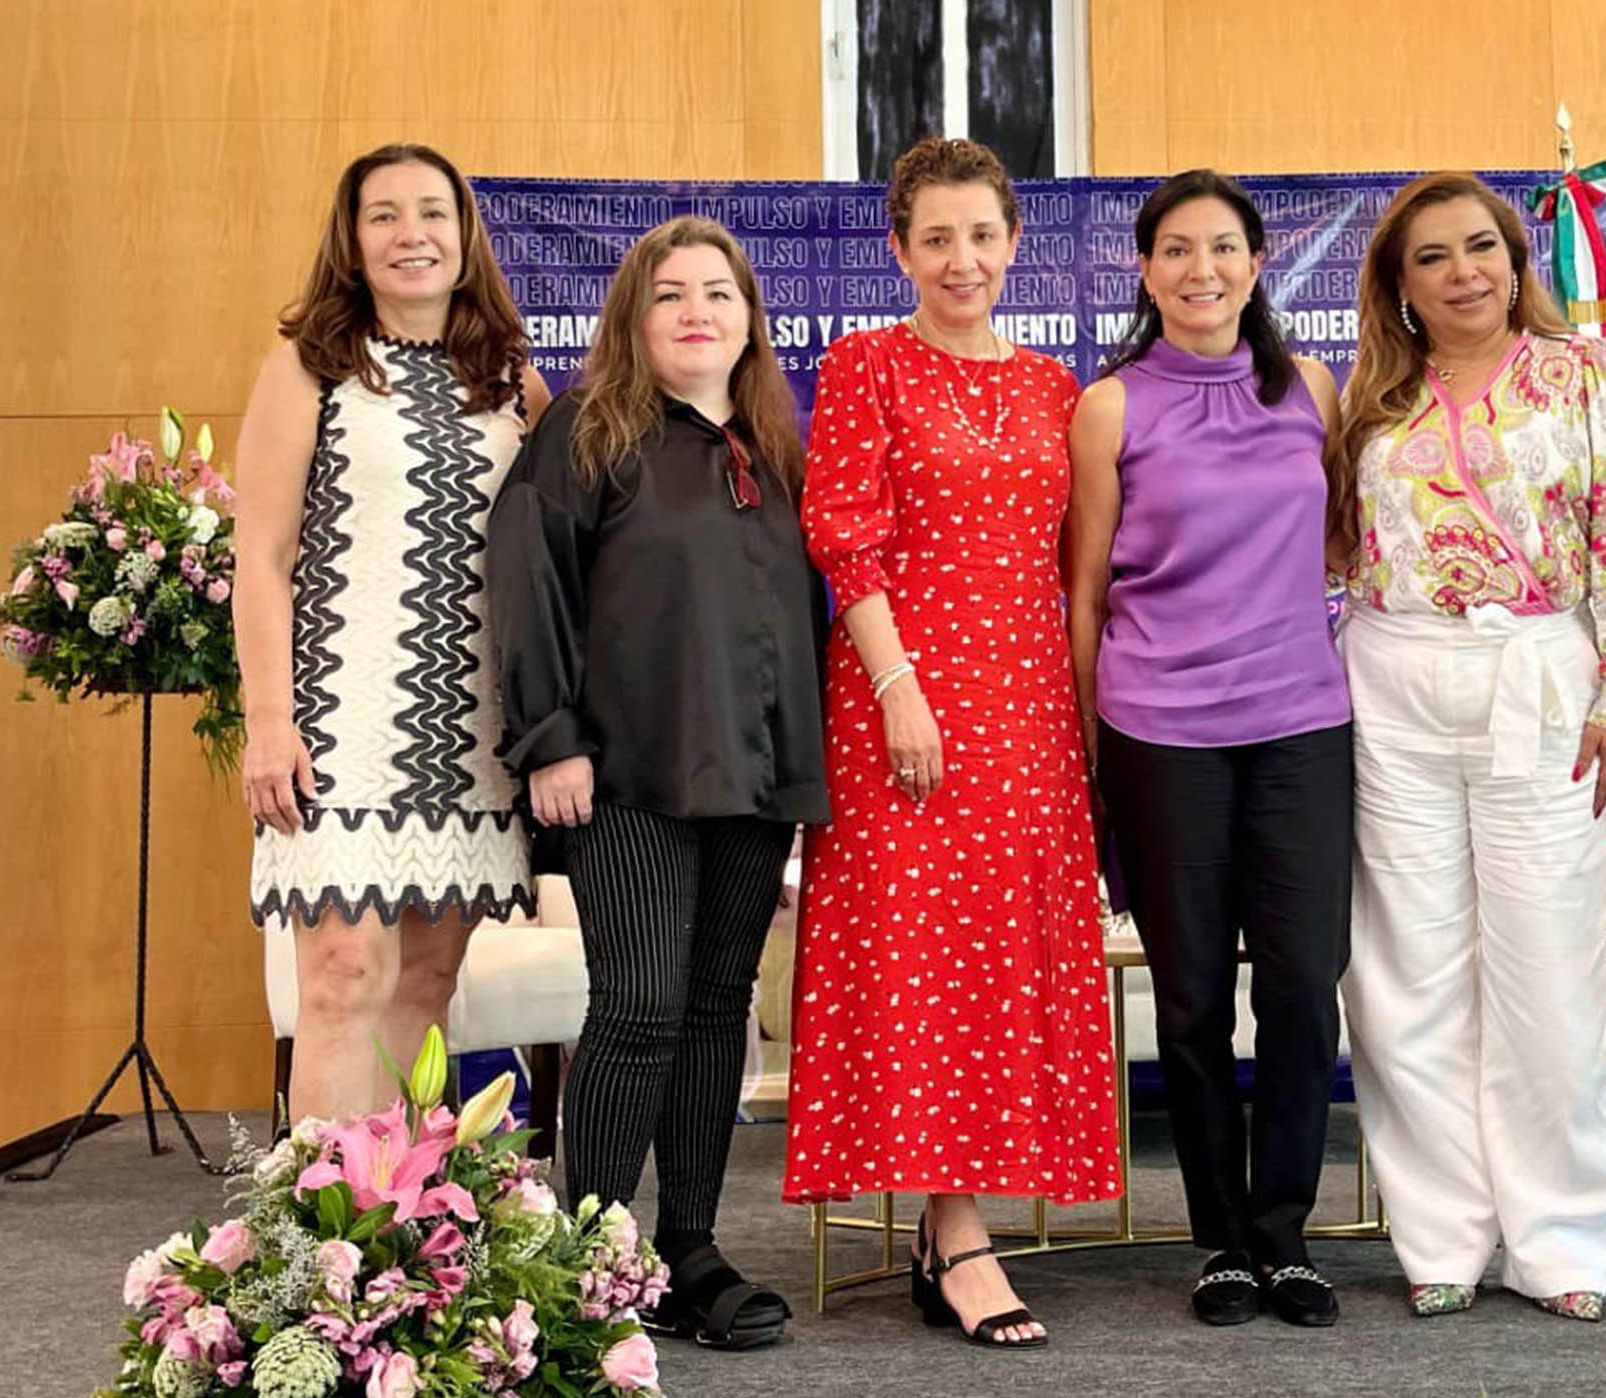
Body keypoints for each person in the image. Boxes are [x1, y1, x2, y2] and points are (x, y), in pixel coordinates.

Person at [780, 136, 1120, 1349]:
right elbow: (843, 535)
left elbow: (1079, 567)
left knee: (1001, 960)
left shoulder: (1055, 387)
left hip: (1027, 713)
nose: (961, 258)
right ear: (899, 249)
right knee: (918, 957)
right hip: (903, 704)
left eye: (981, 234)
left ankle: (954, 1220)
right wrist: (897, 690)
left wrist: (1084, 722)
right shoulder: (864, 364)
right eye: (936, 238)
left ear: (1014, 243)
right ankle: (957, 1230)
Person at [488, 216, 825, 1350]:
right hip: (625, 773)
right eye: (670, 293)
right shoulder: (587, 431)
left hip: (755, 778)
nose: (696, 311)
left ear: (749, 319)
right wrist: (551, 738)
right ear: (634, 318)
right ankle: (586, 1261)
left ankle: (689, 1249)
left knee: (719, 1008)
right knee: (635, 1008)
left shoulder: (775, 448)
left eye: (718, 293)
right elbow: (528, 579)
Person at [1336, 171, 1606, 1324]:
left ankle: (1560, 1240)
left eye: (1481, 247)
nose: (1463, 272)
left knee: (1544, 969)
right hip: (1390, 683)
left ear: (1516, 261)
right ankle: (1439, 1235)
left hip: (1540, 677)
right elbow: (1336, 552)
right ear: (1399, 283)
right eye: (1432, 256)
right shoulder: (1370, 398)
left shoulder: (1586, 374)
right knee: (1405, 975)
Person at [1065, 169, 1352, 1328]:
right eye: (1176, 250)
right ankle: (1221, 1240)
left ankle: (1284, 1232)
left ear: (1256, 262)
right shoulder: (1109, 406)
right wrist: (1090, 750)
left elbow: (1344, 545)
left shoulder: (1312, 388)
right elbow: (1084, 590)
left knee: (1301, 988)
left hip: (1301, 726)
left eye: (1222, 247)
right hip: (1158, 729)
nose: (1201, 269)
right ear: (1145, 271)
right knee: (1188, 1003)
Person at [236, 142, 547, 1122]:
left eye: (432, 212)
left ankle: (404, 1208)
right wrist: (268, 720)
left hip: (470, 725)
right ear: (353, 240)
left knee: (425, 980)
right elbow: (260, 557)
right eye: (384, 215)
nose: (412, 234)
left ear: (464, 234)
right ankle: (328, 1214)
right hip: (337, 718)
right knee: (341, 973)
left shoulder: (512, 379)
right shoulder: (309, 367)